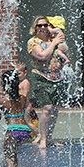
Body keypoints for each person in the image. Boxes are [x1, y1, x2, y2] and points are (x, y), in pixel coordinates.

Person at [27, 16, 68, 149]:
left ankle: (49, 137)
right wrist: (54, 42)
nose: (43, 28)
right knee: (47, 108)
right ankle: (43, 138)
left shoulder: (53, 39)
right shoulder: (33, 42)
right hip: (41, 77)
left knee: (55, 110)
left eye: (45, 25)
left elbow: (65, 47)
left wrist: (56, 34)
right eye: (40, 25)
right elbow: (42, 56)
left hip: (56, 78)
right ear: (35, 28)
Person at [0, 70, 36, 167]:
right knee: (14, 154)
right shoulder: (23, 98)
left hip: (12, 131)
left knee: (9, 157)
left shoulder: (4, 101)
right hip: (24, 131)